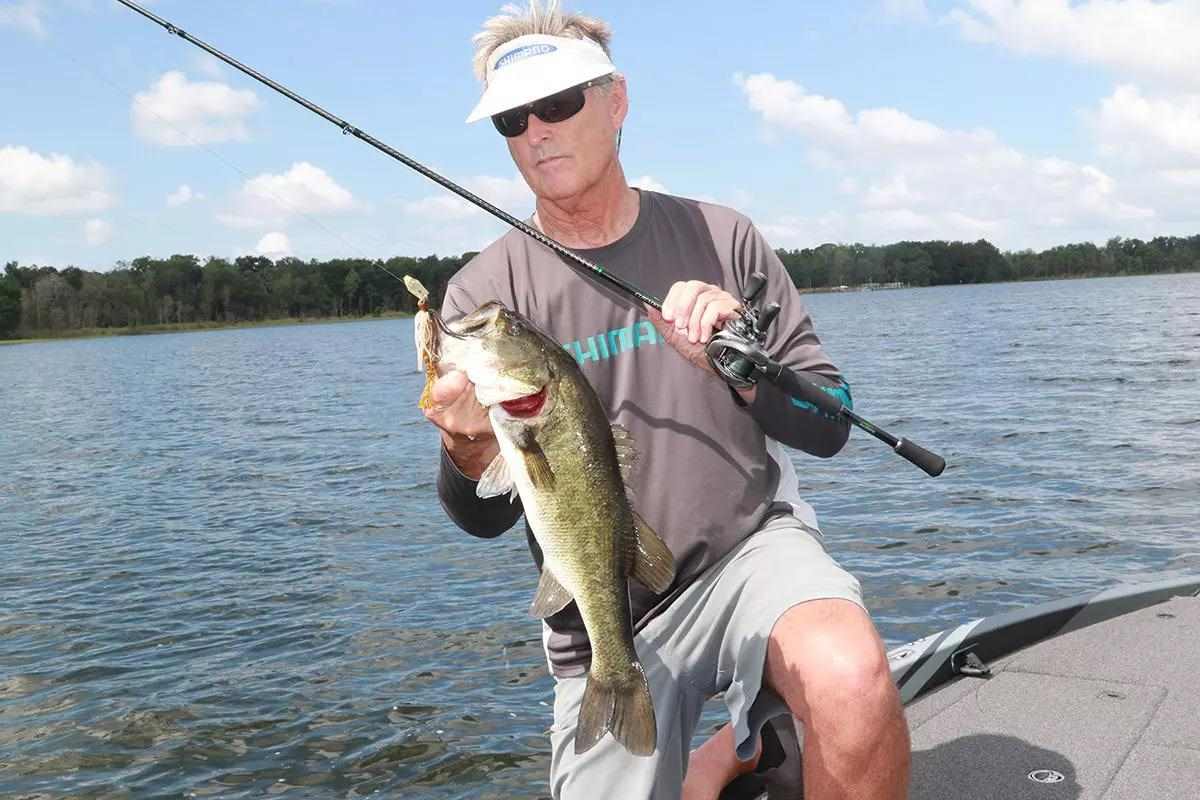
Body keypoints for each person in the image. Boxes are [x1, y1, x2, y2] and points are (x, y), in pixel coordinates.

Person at [423, 2, 910, 798]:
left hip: (750, 551)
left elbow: (832, 421)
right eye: (513, 118)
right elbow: (481, 517)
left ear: (615, 101)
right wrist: (467, 448)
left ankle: (754, 725)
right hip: (602, 614)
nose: (537, 130)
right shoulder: (482, 299)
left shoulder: (724, 238)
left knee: (851, 676)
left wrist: (742, 362)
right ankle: (741, 744)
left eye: (558, 103)